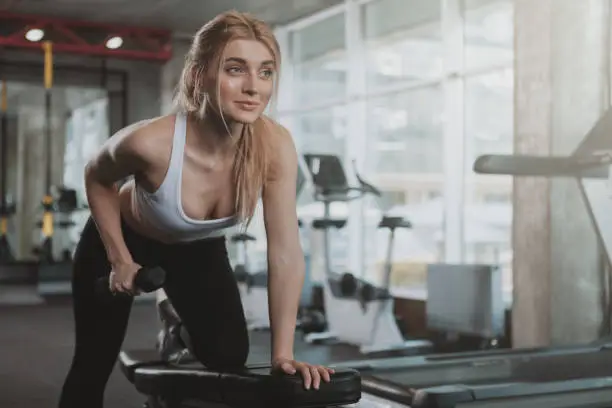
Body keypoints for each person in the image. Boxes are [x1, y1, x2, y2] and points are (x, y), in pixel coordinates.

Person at [58, 10, 334, 408]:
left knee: (229, 355)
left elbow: (285, 251)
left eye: (266, 72)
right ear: (197, 76)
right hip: (122, 237)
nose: (253, 87)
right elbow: (96, 177)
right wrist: (119, 258)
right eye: (235, 69)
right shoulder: (150, 142)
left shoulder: (274, 146)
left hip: (197, 249)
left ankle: (174, 326)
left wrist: (282, 354)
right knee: (91, 366)